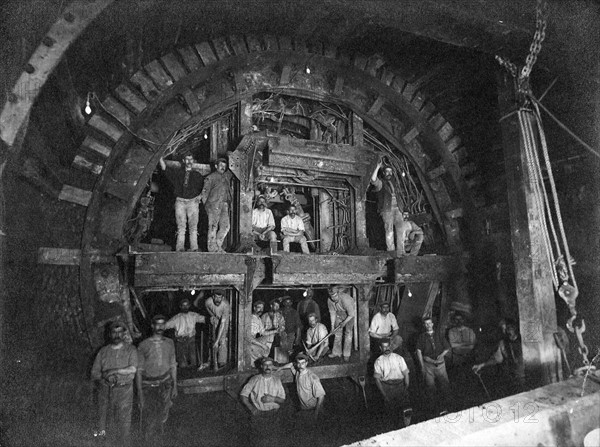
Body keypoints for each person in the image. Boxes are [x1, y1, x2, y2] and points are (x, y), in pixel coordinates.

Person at [91, 321, 138, 446]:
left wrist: (114, 371)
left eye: (119, 332)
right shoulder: (103, 352)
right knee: (104, 424)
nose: (117, 335)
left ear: (123, 334)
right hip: (106, 392)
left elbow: (132, 369)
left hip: (125, 391)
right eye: (114, 332)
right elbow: (94, 373)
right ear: (110, 334)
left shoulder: (131, 350)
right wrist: (104, 379)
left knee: (124, 426)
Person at [136, 315, 177, 445]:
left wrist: (174, 385)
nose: (160, 327)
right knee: (150, 419)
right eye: (157, 324)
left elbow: (172, 365)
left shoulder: (169, 343)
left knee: (164, 417)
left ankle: (162, 442)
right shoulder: (143, 345)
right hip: (149, 386)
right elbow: (139, 371)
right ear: (152, 326)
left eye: (162, 324)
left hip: (165, 384)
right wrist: (140, 394)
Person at [159, 154, 204, 252]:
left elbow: (204, 188)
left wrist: (200, 197)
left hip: (193, 202)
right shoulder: (178, 174)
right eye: (187, 159)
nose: (189, 161)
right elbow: (165, 169)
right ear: (184, 161)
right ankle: (179, 248)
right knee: (181, 227)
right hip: (180, 201)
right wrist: (160, 158)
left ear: (193, 161)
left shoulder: (198, 175)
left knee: (193, 227)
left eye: (191, 159)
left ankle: (194, 248)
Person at [240, 357, 286, 447]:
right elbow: (243, 395)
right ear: (261, 366)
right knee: (257, 442)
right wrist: (252, 409)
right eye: (265, 365)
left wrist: (273, 399)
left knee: (274, 442)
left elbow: (282, 400)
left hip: (274, 415)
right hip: (258, 415)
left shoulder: (277, 380)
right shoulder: (254, 379)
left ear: (272, 367)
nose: (268, 367)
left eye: (270, 365)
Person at [472, 322, 525, 392]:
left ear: (515, 328)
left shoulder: (524, 341)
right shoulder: (502, 343)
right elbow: (497, 359)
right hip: (512, 378)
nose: (505, 331)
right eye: (503, 329)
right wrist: (481, 365)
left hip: (525, 376)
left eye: (508, 328)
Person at [415, 316, 451, 415]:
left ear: (432, 324)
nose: (428, 325)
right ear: (424, 325)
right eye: (426, 324)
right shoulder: (422, 337)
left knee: (445, 385)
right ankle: (434, 410)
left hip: (440, 365)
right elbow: (418, 351)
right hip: (428, 366)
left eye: (430, 323)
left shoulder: (439, 334)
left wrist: (441, 355)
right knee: (430, 388)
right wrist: (422, 366)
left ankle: (447, 407)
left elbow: (447, 347)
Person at [370, 159, 406, 255]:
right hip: (387, 210)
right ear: (384, 173)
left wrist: (404, 210)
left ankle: (401, 252)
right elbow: (373, 180)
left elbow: (401, 198)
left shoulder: (395, 184)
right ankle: (391, 252)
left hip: (398, 209)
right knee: (389, 231)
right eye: (387, 171)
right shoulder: (381, 183)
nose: (389, 173)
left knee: (401, 229)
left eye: (390, 171)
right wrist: (377, 167)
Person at [374, 340, 412, 427]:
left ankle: (404, 428)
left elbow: (406, 374)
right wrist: (384, 394)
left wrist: (406, 387)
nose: (386, 348)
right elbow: (377, 380)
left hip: (400, 386)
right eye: (384, 347)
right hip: (387, 388)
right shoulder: (378, 361)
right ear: (380, 348)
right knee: (390, 412)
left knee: (404, 410)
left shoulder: (399, 358)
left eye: (388, 346)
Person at [278, 353, 325, 421]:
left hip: (313, 408)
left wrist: (316, 414)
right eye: (298, 363)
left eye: (303, 363)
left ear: (306, 363)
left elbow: (321, 396)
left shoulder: (312, 378)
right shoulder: (297, 373)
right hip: (303, 408)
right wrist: (280, 368)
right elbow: (291, 364)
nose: (300, 365)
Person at [201, 157, 232, 253]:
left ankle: (217, 246)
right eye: (221, 165)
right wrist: (207, 206)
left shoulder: (226, 177)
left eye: (224, 166)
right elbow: (204, 193)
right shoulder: (210, 177)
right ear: (216, 166)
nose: (223, 167)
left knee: (226, 226)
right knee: (213, 226)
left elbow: (233, 169)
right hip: (213, 205)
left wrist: (230, 156)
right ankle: (211, 248)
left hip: (224, 205)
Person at [165, 298, 205, 368]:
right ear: (180, 306)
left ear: (189, 306)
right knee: (182, 363)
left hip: (191, 340)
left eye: (186, 305)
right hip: (181, 341)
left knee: (194, 361)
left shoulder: (193, 315)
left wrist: (211, 319)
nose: (185, 307)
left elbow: (203, 319)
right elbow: (166, 325)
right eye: (183, 305)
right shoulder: (176, 318)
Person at [327, 285, 356, 362]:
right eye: (331, 296)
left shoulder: (346, 299)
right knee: (337, 333)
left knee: (348, 334)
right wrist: (332, 326)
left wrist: (344, 322)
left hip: (349, 315)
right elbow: (332, 313)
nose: (333, 298)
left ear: (338, 293)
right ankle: (336, 352)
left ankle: (346, 354)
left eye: (335, 295)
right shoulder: (330, 300)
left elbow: (351, 314)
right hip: (339, 314)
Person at [246, 301, 277, 368]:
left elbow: (263, 332)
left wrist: (275, 331)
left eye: (262, 308)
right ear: (254, 308)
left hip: (254, 341)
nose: (261, 310)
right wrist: (263, 345)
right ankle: (259, 361)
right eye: (259, 308)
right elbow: (249, 338)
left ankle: (264, 359)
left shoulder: (258, 319)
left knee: (270, 336)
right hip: (249, 343)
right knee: (255, 347)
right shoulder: (251, 319)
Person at [205, 289, 230, 368]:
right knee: (212, 339)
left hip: (224, 320)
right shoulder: (208, 301)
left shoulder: (226, 305)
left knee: (222, 340)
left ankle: (222, 363)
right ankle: (211, 360)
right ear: (213, 297)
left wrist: (217, 341)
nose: (217, 300)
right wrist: (212, 315)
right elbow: (207, 308)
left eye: (220, 298)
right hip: (215, 317)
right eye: (216, 297)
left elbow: (222, 324)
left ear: (222, 298)